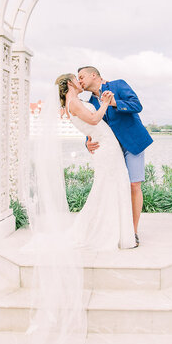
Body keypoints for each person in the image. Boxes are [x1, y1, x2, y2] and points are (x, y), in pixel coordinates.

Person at [55, 73, 137, 250]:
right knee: (109, 187)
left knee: (109, 187)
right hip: (106, 147)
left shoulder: (73, 102)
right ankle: (107, 232)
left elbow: (89, 124)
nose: (80, 81)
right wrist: (106, 104)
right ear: (70, 83)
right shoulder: (74, 102)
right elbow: (93, 120)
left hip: (105, 146)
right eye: (77, 79)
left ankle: (117, 231)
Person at [77, 66, 153, 246]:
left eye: (81, 77)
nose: (79, 81)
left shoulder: (118, 85)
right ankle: (119, 228)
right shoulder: (89, 101)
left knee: (134, 185)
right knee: (117, 186)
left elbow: (137, 105)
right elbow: (92, 123)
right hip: (111, 148)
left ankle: (133, 231)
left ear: (93, 75)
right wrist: (87, 142)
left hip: (133, 143)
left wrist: (113, 103)